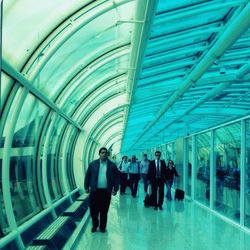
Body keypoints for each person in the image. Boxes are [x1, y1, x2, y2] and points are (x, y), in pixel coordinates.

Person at [84, 147, 119, 233]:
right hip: (94, 191)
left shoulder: (112, 165)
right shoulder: (93, 164)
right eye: (102, 152)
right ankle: (95, 225)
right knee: (93, 210)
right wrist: (86, 187)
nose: (104, 154)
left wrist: (115, 189)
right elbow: (88, 176)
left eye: (106, 153)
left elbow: (117, 178)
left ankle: (102, 227)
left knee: (104, 210)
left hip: (106, 192)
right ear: (99, 154)